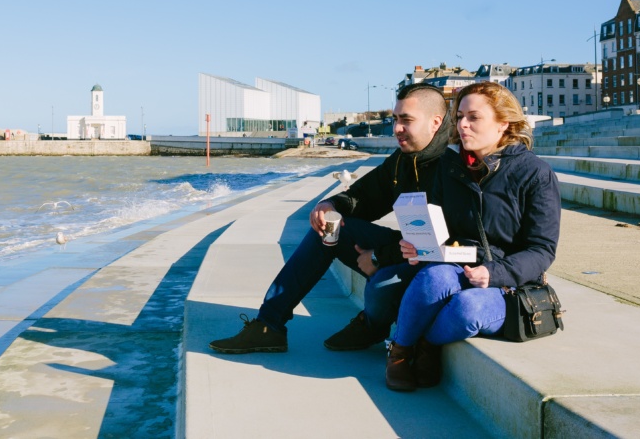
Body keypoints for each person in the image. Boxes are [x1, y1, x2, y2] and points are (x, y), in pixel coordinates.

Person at [209, 83, 451, 355]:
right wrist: (330, 204)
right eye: (395, 119)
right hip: (406, 249)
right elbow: (363, 197)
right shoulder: (402, 160)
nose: (396, 128)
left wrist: (379, 256)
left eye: (406, 120)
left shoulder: (453, 167)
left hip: (437, 265)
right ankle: (269, 325)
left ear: (435, 123)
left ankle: (372, 323)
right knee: (329, 227)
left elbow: (450, 243)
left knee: (382, 285)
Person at [384, 81, 560, 392]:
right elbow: (438, 227)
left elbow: (542, 249)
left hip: (508, 282)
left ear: (503, 123)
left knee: (470, 309)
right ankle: (399, 352)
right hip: (456, 262)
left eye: (474, 117)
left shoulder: (535, 174)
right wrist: (419, 245)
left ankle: (425, 343)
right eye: (460, 116)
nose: (463, 125)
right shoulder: (449, 168)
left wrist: (494, 273)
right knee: (432, 280)